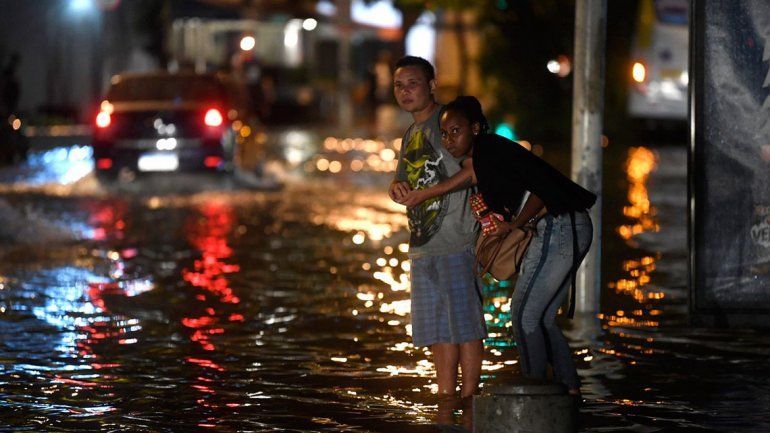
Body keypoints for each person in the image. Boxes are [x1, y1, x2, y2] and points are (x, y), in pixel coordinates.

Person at [404, 95, 596, 397]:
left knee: (524, 315)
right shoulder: (488, 155)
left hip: (560, 225)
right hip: (568, 226)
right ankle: (569, 390)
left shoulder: (489, 152)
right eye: (444, 133)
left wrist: (516, 224)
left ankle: (534, 394)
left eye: (457, 130)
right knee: (541, 317)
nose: (449, 139)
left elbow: (541, 192)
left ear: (476, 128)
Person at [388, 56, 486, 400]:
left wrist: (428, 193)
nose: (405, 91)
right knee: (438, 332)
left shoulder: (449, 120)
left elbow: (475, 170)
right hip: (423, 244)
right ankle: (445, 401)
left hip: (457, 240)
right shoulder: (411, 132)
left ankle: (470, 402)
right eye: (399, 85)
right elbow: (403, 177)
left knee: (466, 326)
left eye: (413, 83)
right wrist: (395, 187)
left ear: (431, 85)